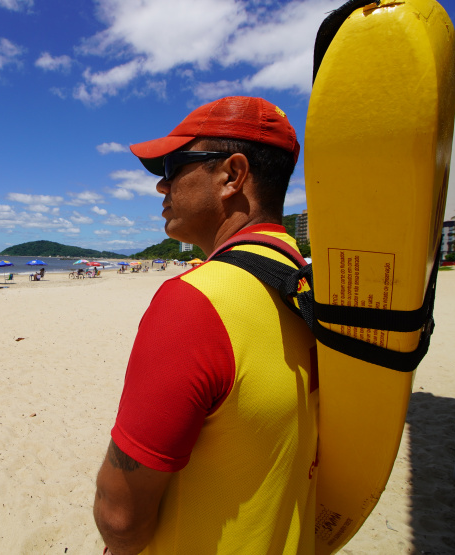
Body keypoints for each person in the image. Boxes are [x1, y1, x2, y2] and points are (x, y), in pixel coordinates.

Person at [93, 96, 318, 554]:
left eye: (174, 166)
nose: (162, 186)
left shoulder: (196, 304)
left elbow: (120, 519)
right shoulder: (307, 286)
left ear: (232, 176)